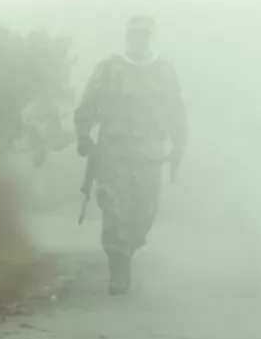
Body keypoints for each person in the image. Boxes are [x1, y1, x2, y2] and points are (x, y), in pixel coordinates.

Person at [74, 16, 188, 294]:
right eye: (135, 34)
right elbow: (87, 104)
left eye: (144, 34)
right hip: (113, 152)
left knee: (145, 211)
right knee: (114, 208)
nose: (139, 39)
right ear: (128, 36)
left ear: (151, 37)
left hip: (149, 154)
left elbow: (176, 111)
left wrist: (178, 147)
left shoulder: (163, 71)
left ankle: (129, 249)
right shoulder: (109, 69)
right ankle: (118, 267)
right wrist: (83, 134)